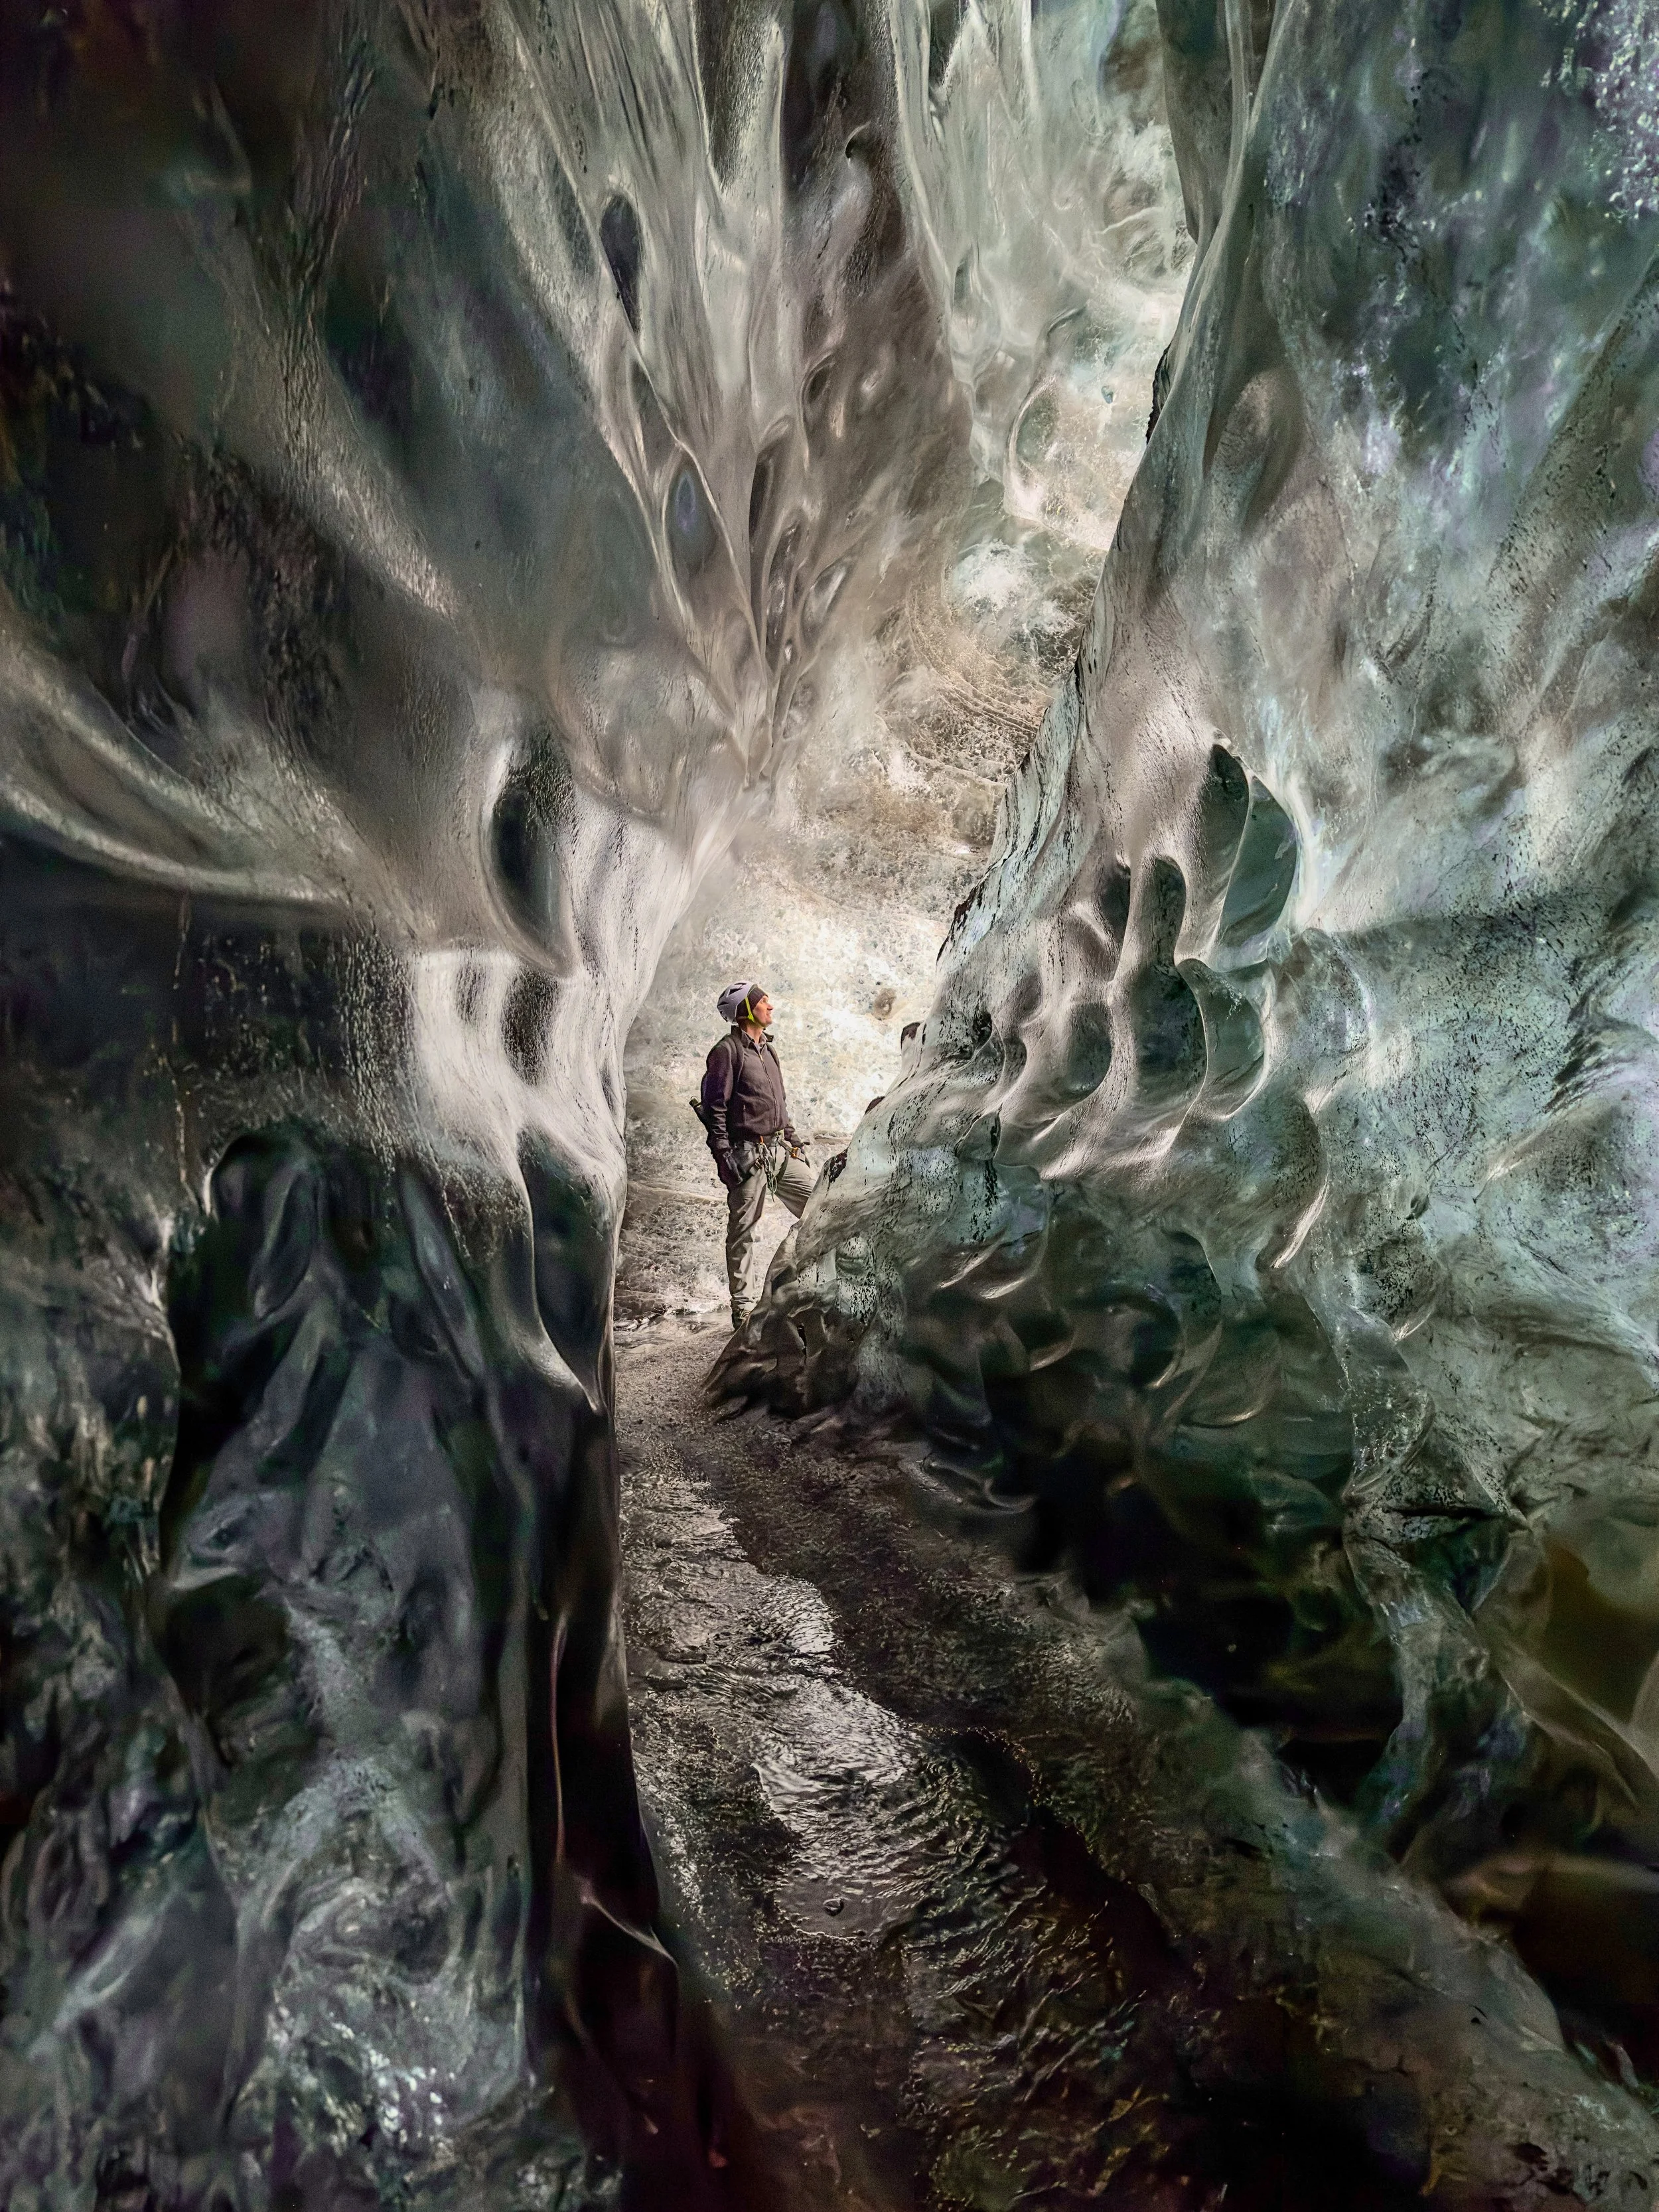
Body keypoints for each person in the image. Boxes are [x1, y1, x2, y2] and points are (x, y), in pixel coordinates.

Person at [699, 983, 813, 1329]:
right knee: (743, 1232)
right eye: (764, 1002)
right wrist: (723, 1155)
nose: (771, 1006)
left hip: (781, 1150)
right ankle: (744, 1309)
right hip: (748, 1154)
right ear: (746, 1010)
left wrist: (793, 1139)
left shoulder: (768, 1051)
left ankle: (810, 1288)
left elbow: (779, 1103)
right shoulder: (727, 1052)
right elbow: (715, 1109)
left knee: (821, 1208)